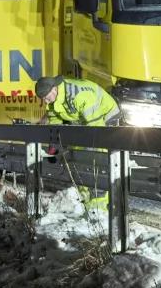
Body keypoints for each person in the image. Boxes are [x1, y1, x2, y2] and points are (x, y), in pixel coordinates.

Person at [35, 75, 121, 208]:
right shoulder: (53, 101)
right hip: (86, 122)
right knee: (78, 157)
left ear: (54, 89)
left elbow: (96, 129)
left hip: (105, 118)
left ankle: (100, 205)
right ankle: (85, 196)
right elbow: (55, 124)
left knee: (95, 160)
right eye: (43, 100)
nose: (46, 102)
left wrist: (93, 150)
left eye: (47, 98)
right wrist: (54, 145)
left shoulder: (78, 95)